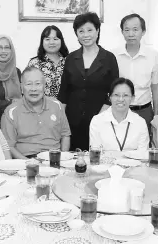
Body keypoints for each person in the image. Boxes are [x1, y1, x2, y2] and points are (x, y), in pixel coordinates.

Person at [58, 12, 119, 151]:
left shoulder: (109, 58)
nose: (86, 35)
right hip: (73, 119)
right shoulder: (71, 58)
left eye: (90, 30)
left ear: (97, 31)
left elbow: (114, 90)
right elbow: (64, 92)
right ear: (77, 34)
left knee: (97, 159)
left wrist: (100, 115)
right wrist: (62, 120)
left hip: (100, 118)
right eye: (81, 31)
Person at [113, 13, 158, 137]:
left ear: (143, 31)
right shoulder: (113, 55)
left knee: (143, 148)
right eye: (127, 30)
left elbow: (156, 86)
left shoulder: (153, 55)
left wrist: (156, 114)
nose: (131, 34)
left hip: (144, 110)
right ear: (122, 32)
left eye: (135, 29)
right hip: (119, 109)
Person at [1, 67, 71, 159]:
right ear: (21, 87)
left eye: (38, 84)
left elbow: (65, 135)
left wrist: (62, 158)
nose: (33, 89)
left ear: (44, 86)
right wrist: (29, 163)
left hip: (54, 158)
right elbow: (9, 146)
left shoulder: (57, 105)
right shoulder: (11, 112)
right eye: (29, 84)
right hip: (26, 160)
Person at [90, 78, 148, 151]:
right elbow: (95, 154)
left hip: (133, 162)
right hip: (105, 162)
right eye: (116, 95)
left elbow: (142, 155)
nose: (121, 99)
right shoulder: (97, 121)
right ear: (109, 97)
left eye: (125, 95)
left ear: (133, 98)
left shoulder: (140, 123)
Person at [27, 25, 69, 99]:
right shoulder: (34, 64)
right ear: (42, 42)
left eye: (55, 39)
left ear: (61, 41)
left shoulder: (70, 61)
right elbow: (28, 89)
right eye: (47, 39)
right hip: (41, 108)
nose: (51, 42)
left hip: (67, 108)